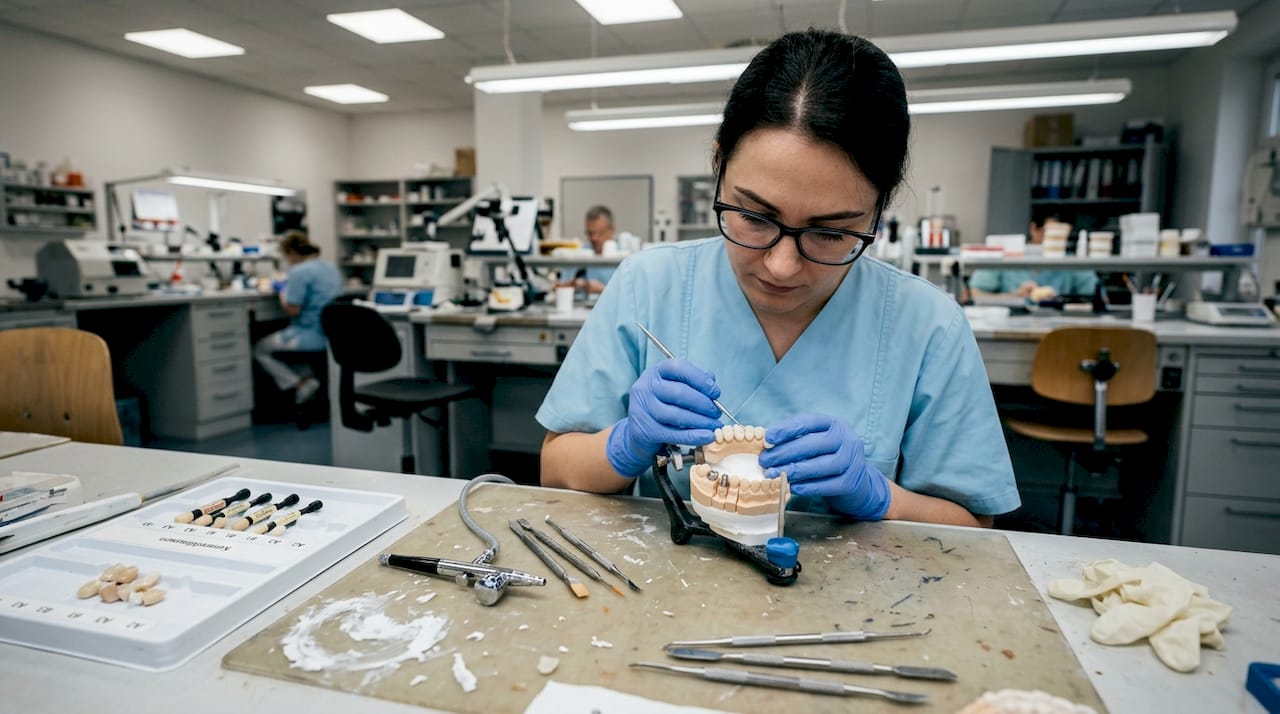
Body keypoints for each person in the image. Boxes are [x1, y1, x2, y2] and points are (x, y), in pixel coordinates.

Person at [536, 30, 1020, 527]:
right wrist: (625, 443)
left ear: (880, 210)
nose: (781, 266)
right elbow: (555, 469)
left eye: (830, 232)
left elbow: (974, 528)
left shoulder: (927, 325)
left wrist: (880, 497)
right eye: (755, 216)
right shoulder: (649, 284)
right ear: (718, 163)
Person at [253, 231, 343, 404]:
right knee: (292, 353)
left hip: (310, 334)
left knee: (260, 349)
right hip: (331, 334)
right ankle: (308, 382)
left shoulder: (299, 272)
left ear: (291, 253)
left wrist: (281, 290)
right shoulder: (330, 267)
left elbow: (292, 310)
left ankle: (300, 384)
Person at [969, 212, 1099, 300]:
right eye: (1050, 233)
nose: (1055, 241)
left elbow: (1098, 297)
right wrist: (1015, 296)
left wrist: (1063, 300)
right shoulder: (1008, 256)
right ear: (1033, 229)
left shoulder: (1072, 262)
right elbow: (973, 294)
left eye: (1062, 235)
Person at [575, 205, 617, 294]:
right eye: (589, 233)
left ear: (611, 230)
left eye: (599, 233)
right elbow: (564, 285)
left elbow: (630, 296)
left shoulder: (622, 256)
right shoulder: (583, 252)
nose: (594, 238)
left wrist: (603, 290)